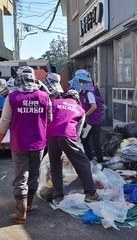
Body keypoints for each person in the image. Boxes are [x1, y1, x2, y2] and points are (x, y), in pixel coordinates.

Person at [0, 67, 51, 224]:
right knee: (33, 175)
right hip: (38, 144)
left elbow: (4, 122)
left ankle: (20, 213)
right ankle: (29, 205)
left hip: (19, 144)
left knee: (20, 177)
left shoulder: (12, 97)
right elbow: (49, 119)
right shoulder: (45, 96)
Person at [43, 73, 101, 205]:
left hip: (51, 136)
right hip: (67, 135)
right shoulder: (79, 109)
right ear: (77, 99)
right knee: (83, 163)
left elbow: (47, 118)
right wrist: (71, 153)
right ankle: (91, 193)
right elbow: (78, 132)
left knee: (55, 166)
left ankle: (58, 196)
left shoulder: (55, 102)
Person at [76, 72, 104, 163]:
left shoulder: (89, 93)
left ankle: (95, 160)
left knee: (91, 140)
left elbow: (94, 106)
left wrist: (85, 115)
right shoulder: (84, 92)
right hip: (91, 120)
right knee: (88, 140)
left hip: (93, 121)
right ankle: (92, 159)